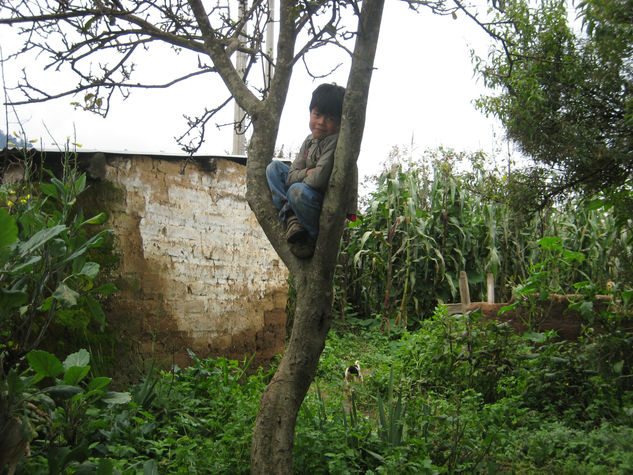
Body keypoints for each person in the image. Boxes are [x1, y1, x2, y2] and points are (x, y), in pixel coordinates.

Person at [266, 83, 356, 258]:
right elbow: (291, 174)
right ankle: (291, 218)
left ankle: (311, 236)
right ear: (310, 113)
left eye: (330, 118)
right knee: (274, 168)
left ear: (339, 122)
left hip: (321, 205)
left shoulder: (336, 143)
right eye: (317, 114)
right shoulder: (309, 141)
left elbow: (317, 180)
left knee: (296, 190)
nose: (321, 122)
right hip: (302, 198)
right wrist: (305, 173)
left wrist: (302, 177)